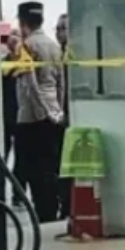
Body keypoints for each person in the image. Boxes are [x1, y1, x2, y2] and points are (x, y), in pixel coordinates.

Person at [14, 1, 66, 223]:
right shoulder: (54, 46)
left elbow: (29, 84)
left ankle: (44, 214)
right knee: (52, 167)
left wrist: (41, 113)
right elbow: (61, 82)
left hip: (32, 118)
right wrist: (58, 110)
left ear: (23, 22)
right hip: (54, 113)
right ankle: (53, 209)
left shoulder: (25, 47)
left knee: (35, 170)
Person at [0, 25, 26, 205]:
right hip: (5, 116)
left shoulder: (27, 62)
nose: (13, 39)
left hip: (23, 116)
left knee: (22, 157)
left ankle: (19, 193)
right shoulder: (3, 62)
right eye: (11, 36)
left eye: (17, 36)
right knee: (3, 155)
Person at [55, 12, 73, 221]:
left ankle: (68, 205)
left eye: (63, 28)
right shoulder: (56, 54)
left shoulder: (73, 55)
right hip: (59, 117)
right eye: (58, 28)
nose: (59, 33)